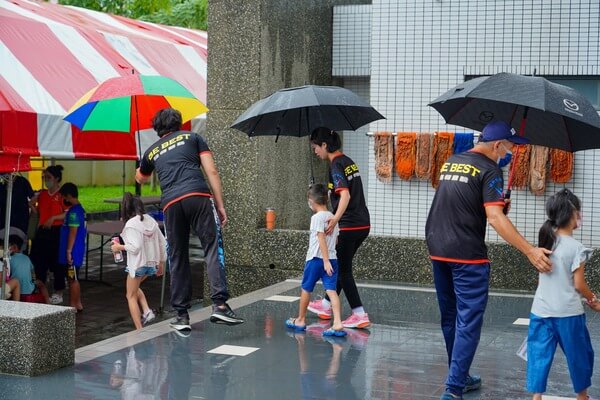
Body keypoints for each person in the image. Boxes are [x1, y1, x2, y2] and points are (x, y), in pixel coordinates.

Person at [425, 121, 553, 400]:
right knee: (468, 321)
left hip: (437, 247)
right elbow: (495, 218)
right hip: (467, 255)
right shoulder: (490, 169)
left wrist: (494, 206)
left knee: (451, 317)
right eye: (510, 146)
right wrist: (530, 250)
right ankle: (453, 388)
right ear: (497, 145)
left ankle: (458, 375)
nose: (510, 151)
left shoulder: (452, 161)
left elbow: (462, 202)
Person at [136, 108, 243, 331]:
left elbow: (140, 178)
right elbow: (212, 171)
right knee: (212, 247)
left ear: (157, 128)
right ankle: (220, 306)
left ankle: (182, 315)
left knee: (177, 255)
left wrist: (143, 162)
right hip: (198, 196)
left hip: (171, 204)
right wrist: (220, 205)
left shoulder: (152, 151)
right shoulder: (193, 138)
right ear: (179, 123)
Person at [527, 189, 597, 400]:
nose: (581, 216)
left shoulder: (545, 242)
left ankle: (536, 397)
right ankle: (582, 396)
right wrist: (593, 300)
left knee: (539, 356)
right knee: (580, 356)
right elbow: (578, 284)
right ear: (573, 213)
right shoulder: (577, 247)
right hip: (568, 314)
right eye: (579, 212)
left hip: (540, 311)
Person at [307, 127, 371, 329]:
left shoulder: (336, 165)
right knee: (341, 266)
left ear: (325, 145)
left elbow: (345, 195)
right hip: (362, 223)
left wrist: (334, 220)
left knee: (343, 270)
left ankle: (359, 313)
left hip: (349, 225)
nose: (315, 151)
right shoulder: (347, 161)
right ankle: (326, 304)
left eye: (316, 147)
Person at [285, 184, 345, 337]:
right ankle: (337, 322)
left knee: (306, 288)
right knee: (332, 291)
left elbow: (321, 238)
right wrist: (328, 260)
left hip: (316, 259)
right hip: (333, 259)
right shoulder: (333, 217)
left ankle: (300, 320)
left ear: (312, 201)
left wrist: (324, 260)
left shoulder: (316, 218)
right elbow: (336, 241)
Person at [111, 192, 166, 330]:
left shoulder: (131, 224)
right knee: (134, 289)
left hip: (137, 266)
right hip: (151, 265)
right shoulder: (150, 220)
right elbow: (162, 242)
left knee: (130, 295)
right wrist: (161, 263)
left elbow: (135, 248)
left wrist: (119, 247)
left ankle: (139, 330)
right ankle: (147, 311)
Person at [29, 165, 67, 304]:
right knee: (38, 262)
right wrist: (33, 204)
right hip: (42, 231)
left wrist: (54, 218)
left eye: (49, 178)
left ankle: (58, 291)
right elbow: (38, 212)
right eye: (44, 178)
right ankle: (40, 289)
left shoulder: (63, 195)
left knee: (58, 263)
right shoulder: (43, 194)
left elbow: (68, 213)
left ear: (56, 178)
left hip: (57, 232)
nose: (46, 180)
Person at [58, 182, 86, 311]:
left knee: (72, 278)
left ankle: (74, 305)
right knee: (71, 278)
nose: (62, 200)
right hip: (75, 250)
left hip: (73, 252)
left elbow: (73, 233)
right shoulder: (78, 210)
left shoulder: (74, 212)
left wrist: (69, 251)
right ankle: (76, 303)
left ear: (68, 196)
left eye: (63, 197)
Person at [2, 235, 49, 303]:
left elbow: (7, 275)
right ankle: (48, 303)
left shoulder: (9, 259)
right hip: (29, 291)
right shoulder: (27, 258)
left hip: (15, 290)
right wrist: (33, 282)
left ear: (14, 247)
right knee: (41, 284)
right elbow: (32, 272)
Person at [0, 174, 35, 241]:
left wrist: (28, 205)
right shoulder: (2, 184)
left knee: (18, 246)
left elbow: (33, 197)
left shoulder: (22, 182)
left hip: (20, 223)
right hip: (3, 223)